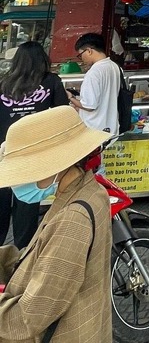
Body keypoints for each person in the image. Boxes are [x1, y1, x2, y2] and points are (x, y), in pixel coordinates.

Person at [0, 106, 113, 341]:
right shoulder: (86, 190)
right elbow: (41, 257)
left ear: (57, 165)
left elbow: (29, 317)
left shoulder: (74, 217)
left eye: (27, 170)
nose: (20, 181)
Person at [0, 42, 70, 248]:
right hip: (35, 154)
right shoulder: (51, 81)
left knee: (1, 202)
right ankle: (22, 255)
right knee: (26, 206)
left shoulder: (3, 84)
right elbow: (62, 115)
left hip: (6, 153)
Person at [71, 34, 120, 136]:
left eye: (80, 55)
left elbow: (89, 106)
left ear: (89, 51)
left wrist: (71, 97)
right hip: (111, 127)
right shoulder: (114, 66)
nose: (81, 59)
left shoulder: (94, 72)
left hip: (95, 130)